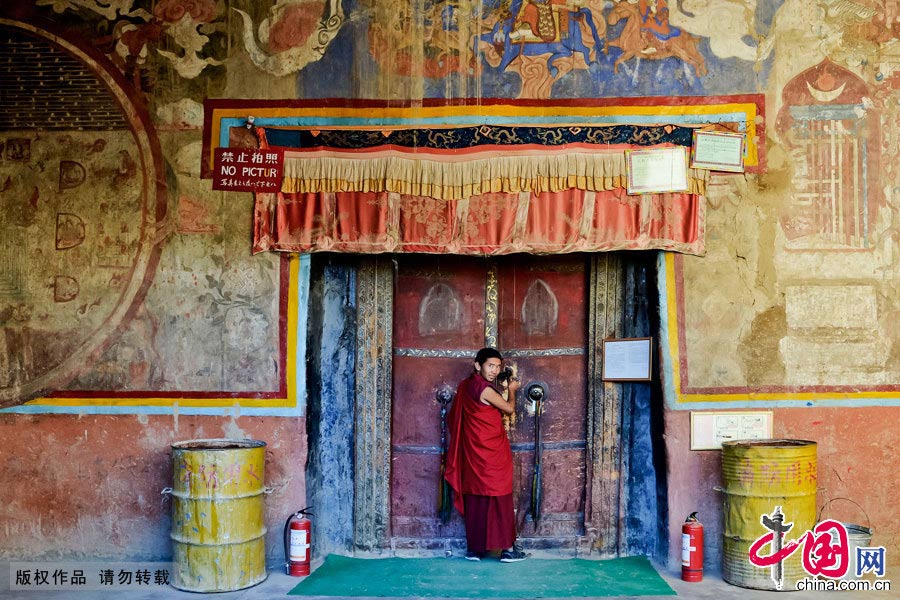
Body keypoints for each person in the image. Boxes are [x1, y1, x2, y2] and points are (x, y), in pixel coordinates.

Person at [443, 347, 528, 562]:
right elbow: (508, 409)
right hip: (491, 453)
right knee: (500, 496)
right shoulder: (485, 390)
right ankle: (508, 550)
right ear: (477, 365)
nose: (495, 371)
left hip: (472, 452)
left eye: (498, 367)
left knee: (476, 498)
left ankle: (475, 549)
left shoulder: (465, 386)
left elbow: (453, 420)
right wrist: (513, 390)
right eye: (491, 366)